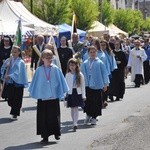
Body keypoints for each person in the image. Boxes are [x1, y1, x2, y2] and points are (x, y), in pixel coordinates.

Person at [28, 49, 69, 143]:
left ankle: (56, 132)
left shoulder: (55, 69)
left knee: (54, 116)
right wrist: (35, 92)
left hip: (53, 97)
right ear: (42, 59)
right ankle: (45, 135)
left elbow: (61, 81)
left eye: (51, 57)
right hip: (43, 98)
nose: (50, 59)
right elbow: (35, 83)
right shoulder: (39, 70)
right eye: (47, 57)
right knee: (43, 117)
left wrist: (62, 92)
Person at [81, 46, 109, 125]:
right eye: (91, 52)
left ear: (96, 53)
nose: (92, 54)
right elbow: (82, 73)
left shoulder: (99, 62)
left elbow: (104, 73)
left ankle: (94, 117)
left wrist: (105, 84)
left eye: (94, 52)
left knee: (96, 102)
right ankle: (88, 114)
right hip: (88, 85)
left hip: (97, 85)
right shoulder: (85, 63)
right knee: (88, 101)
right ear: (88, 53)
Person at [1, 45, 28, 120]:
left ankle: (15, 113)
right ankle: (14, 108)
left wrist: (10, 76)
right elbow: (2, 69)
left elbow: (18, 72)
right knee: (10, 99)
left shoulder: (21, 62)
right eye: (12, 52)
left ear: (19, 52)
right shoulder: (8, 60)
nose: (13, 53)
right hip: (10, 83)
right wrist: (6, 66)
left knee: (17, 99)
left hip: (18, 83)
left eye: (15, 52)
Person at [65, 58, 86, 132]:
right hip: (70, 93)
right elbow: (66, 85)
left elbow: (83, 85)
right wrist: (65, 94)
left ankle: (75, 123)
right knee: (72, 108)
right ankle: (73, 121)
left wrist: (84, 95)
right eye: (70, 65)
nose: (72, 67)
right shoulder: (68, 75)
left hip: (77, 92)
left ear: (76, 66)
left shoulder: (80, 74)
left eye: (73, 65)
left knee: (76, 108)